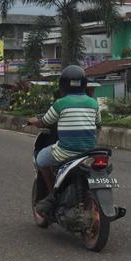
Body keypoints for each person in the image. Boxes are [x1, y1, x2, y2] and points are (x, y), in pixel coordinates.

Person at [27, 64, 101, 217]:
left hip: (66, 152)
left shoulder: (60, 103)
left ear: (63, 84)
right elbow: (98, 124)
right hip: (89, 153)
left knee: (40, 159)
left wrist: (34, 121)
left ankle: (52, 193)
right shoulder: (93, 103)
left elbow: (45, 122)